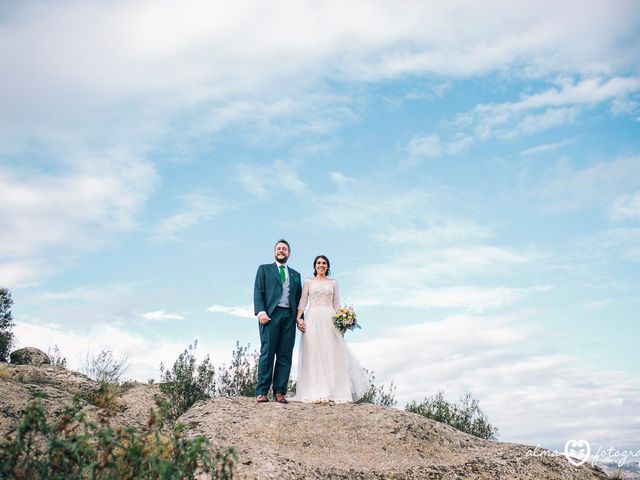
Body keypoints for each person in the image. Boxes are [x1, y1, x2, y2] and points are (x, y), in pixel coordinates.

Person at [294, 255, 369, 403]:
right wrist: (298, 318)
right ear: (314, 266)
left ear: (327, 267)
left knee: (331, 352)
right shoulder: (308, 282)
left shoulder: (333, 283)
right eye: (318, 263)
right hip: (313, 319)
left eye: (324, 263)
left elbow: (337, 304)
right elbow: (302, 302)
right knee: (314, 353)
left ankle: (334, 391)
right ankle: (314, 390)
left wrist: (344, 321)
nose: (321, 265)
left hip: (329, 319)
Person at [253, 239, 302, 404]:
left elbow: (299, 298)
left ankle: (280, 391)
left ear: (289, 253)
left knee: (285, 354)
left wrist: (299, 318)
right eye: (279, 248)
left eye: (285, 249)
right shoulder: (264, 269)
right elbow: (258, 292)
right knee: (267, 353)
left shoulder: (296, 275)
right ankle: (262, 391)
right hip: (270, 316)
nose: (281, 251)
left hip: (289, 316)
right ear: (275, 252)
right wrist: (261, 312)